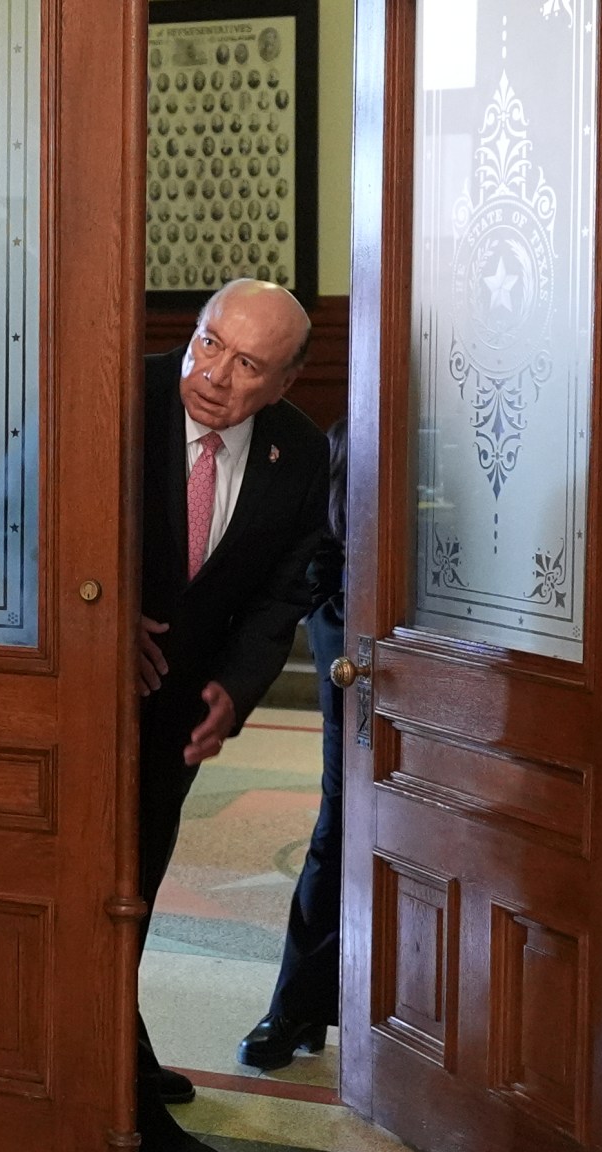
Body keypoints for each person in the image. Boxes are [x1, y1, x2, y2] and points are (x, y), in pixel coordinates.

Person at [133, 279, 332, 1152]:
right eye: (209, 342)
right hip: (75, 693)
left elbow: (282, 589)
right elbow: (13, 516)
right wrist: (86, 620)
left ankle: (119, 1051)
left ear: (286, 378)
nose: (213, 374)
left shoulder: (299, 452)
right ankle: (123, 1106)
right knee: (107, 892)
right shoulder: (119, 393)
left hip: (175, 713)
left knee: (131, 886)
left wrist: (238, 689)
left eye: (247, 363)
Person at [241, 417, 348, 1071]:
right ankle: (297, 1006)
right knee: (340, 827)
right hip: (359, 653)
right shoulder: (350, 430)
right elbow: (321, 549)